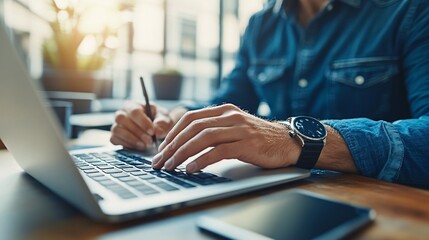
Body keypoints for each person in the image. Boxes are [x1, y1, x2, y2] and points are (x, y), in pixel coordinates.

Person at [110, 0, 429, 190]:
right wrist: (172, 118)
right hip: (281, 198)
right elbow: (226, 101)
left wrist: (292, 139)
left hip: (380, 208)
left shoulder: (411, 11)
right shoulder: (261, 25)